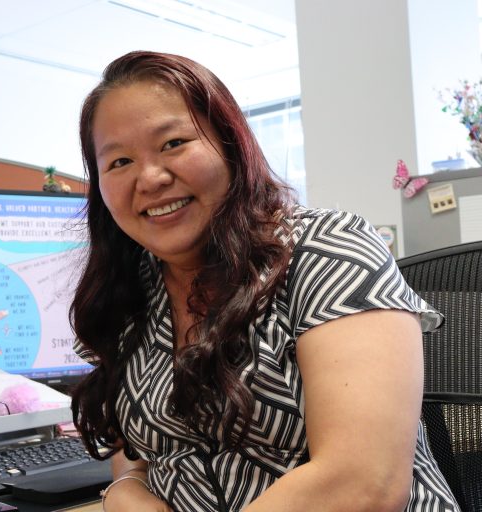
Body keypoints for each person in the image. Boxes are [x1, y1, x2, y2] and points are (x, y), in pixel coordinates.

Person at [69, 50, 459, 512]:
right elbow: (142, 453)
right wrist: (125, 489)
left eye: (173, 143)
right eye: (118, 162)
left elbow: (362, 485)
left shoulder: (328, 249)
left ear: (231, 144)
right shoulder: (132, 291)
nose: (150, 178)